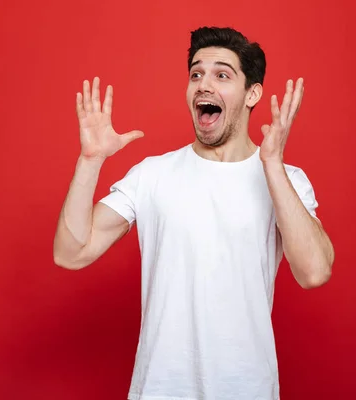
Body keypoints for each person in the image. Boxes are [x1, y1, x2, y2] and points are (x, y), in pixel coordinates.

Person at [53, 26, 334, 400]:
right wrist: (90, 161)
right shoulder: (152, 175)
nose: (204, 84)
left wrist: (271, 163)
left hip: (246, 390)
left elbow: (314, 272)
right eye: (196, 74)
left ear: (252, 94)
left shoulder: (287, 180)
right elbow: (70, 253)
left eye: (222, 75)